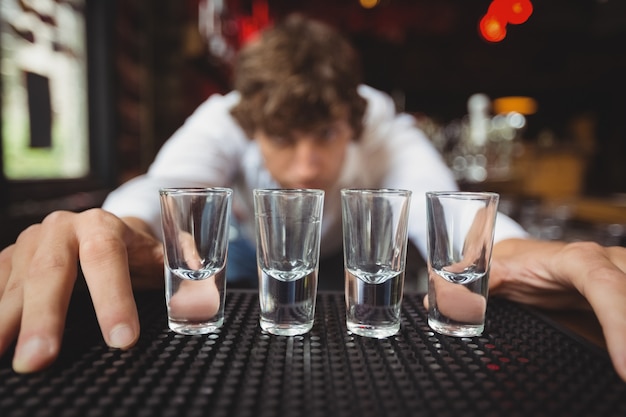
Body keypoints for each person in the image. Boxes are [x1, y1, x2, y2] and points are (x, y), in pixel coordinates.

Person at [0, 13, 625, 382]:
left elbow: (448, 209)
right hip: (247, 257)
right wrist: (114, 229)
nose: (305, 164)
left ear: (348, 123)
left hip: (337, 266)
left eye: (324, 134)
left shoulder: (378, 122)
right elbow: (158, 192)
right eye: (282, 137)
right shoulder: (223, 116)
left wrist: (515, 251)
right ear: (252, 126)